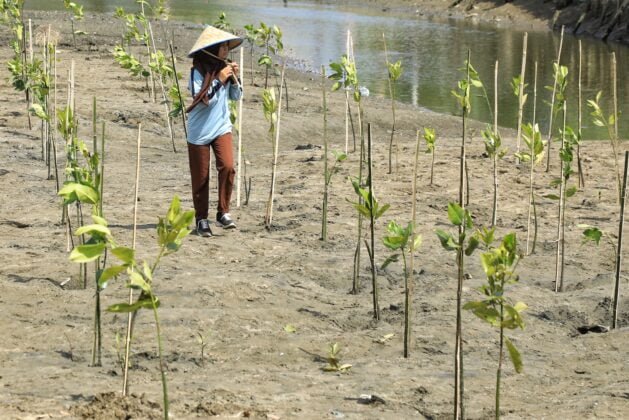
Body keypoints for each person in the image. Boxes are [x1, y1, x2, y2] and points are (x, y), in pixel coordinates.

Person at [186, 26, 243, 237]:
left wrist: (234, 79)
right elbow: (202, 100)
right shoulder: (197, 72)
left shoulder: (224, 69)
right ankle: (201, 219)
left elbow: (235, 96)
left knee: (228, 166)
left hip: (221, 127)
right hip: (199, 131)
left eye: (228, 47)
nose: (227, 51)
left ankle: (223, 212)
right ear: (211, 49)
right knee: (200, 178)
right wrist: (219, 79)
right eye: (223, 47)